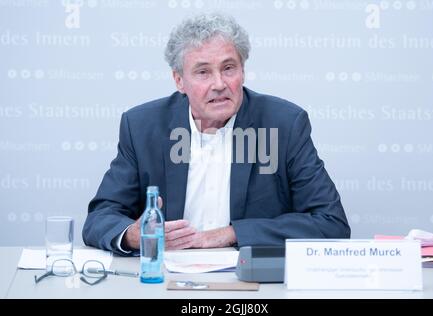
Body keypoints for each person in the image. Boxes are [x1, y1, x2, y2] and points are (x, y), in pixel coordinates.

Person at [82, 13, 350, 256]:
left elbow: (331, 222)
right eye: (203, 72)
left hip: (251, 278)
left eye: (228, 68)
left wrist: (230, 234)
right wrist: (133, 236)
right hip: (165, 278)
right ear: (179, 81)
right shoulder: (142, 126)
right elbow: (100, 218)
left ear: (243, 71)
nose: (219, 84)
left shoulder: (284, 124)